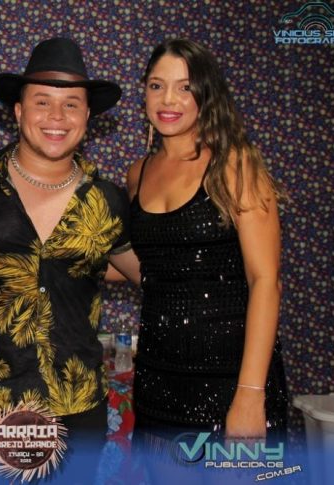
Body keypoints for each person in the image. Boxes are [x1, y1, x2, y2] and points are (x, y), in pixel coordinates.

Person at [0, 37, 141, 452]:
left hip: (76, 408)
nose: (57, 116)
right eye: (42, 102)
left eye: (71, 104)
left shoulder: (108, 200)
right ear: (18, 111)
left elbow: (145, 273)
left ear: (87, 116)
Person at [126, 38, 288, 453]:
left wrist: (250, 395)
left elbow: (265, 280)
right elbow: (154, 269)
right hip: (158, 377)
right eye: (157, 85)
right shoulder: (137, 173)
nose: (168, 99)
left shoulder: (234, 164)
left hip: (231, 379)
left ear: (206, 94)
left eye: (185, 87)